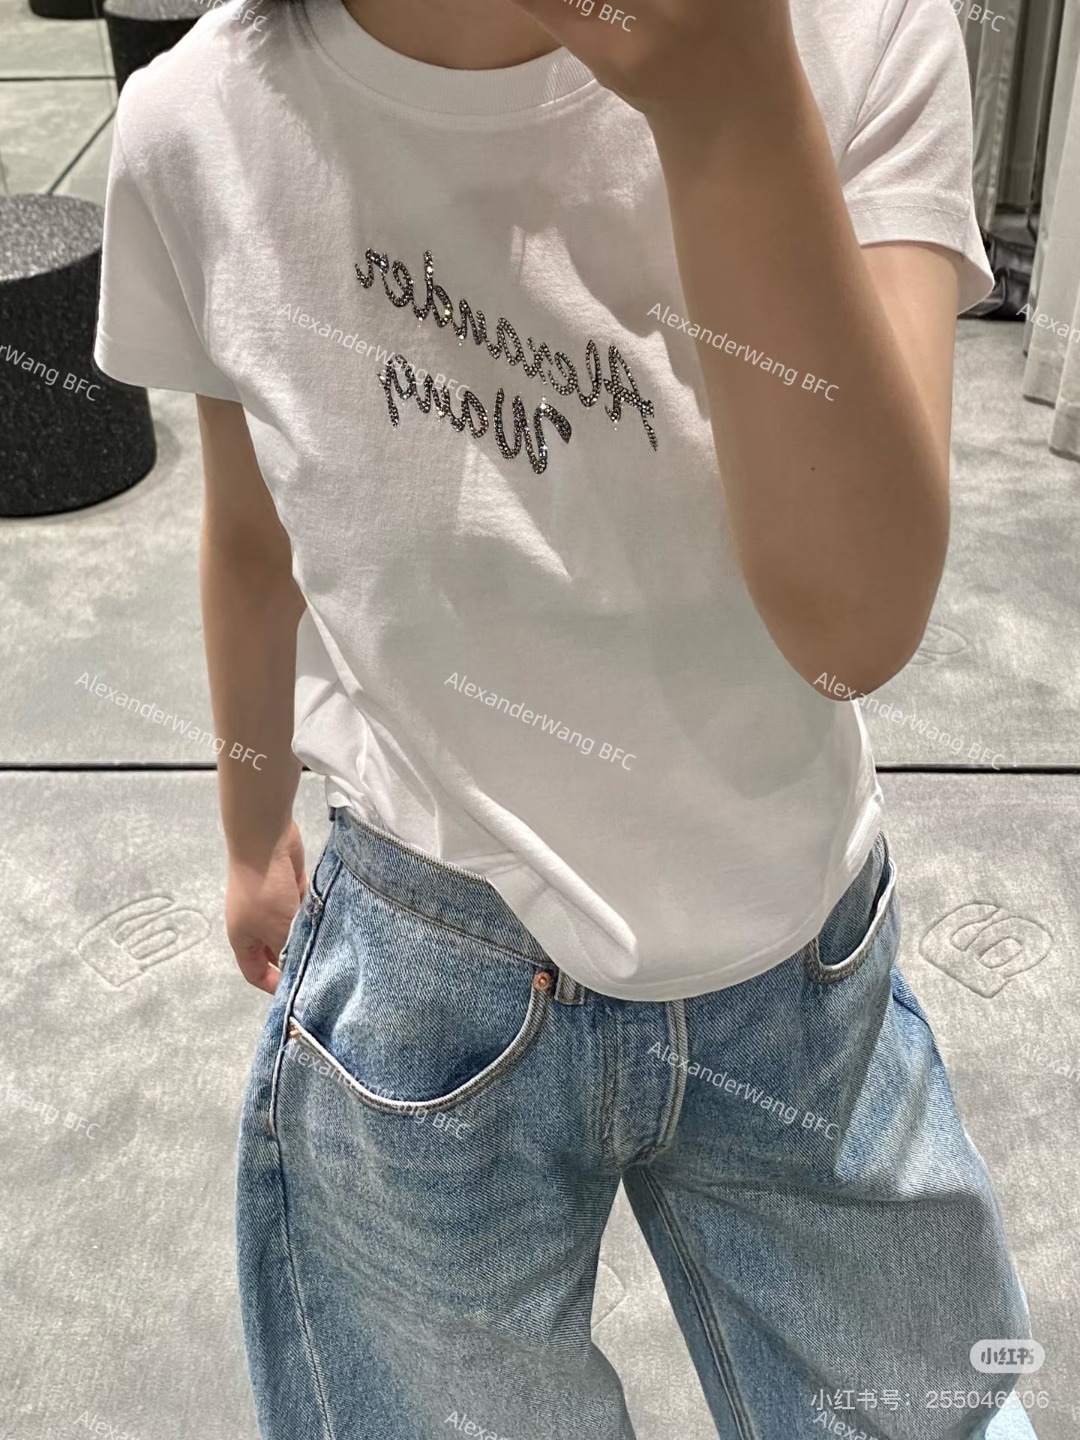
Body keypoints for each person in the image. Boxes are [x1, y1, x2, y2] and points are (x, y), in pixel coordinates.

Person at [92, 0, 1040, 1435]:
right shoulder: (195, 127)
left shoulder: (855, 31)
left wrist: (731, 109)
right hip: (429, 952)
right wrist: (247, 821)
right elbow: (250, 537)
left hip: (790, 955)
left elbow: (855, 626)